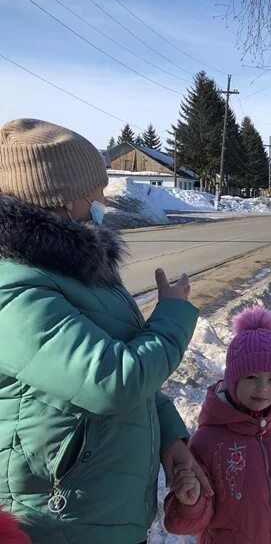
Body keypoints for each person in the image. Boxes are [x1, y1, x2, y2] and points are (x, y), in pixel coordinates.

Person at [0, 118, 210, 543]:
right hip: (53, 522)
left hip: (101, 513)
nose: (104, 201)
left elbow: (138, 384)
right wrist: (171, 315)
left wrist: (171, 439)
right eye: (96, 192)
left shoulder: (82, 270)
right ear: (63, 200)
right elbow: (111, 380)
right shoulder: (12, 285)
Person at [164, 306, 271, 544]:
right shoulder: (208, 440)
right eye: (252, 377)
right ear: (233, 379)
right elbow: (191, 518)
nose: (263, 388)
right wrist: (191, 502)